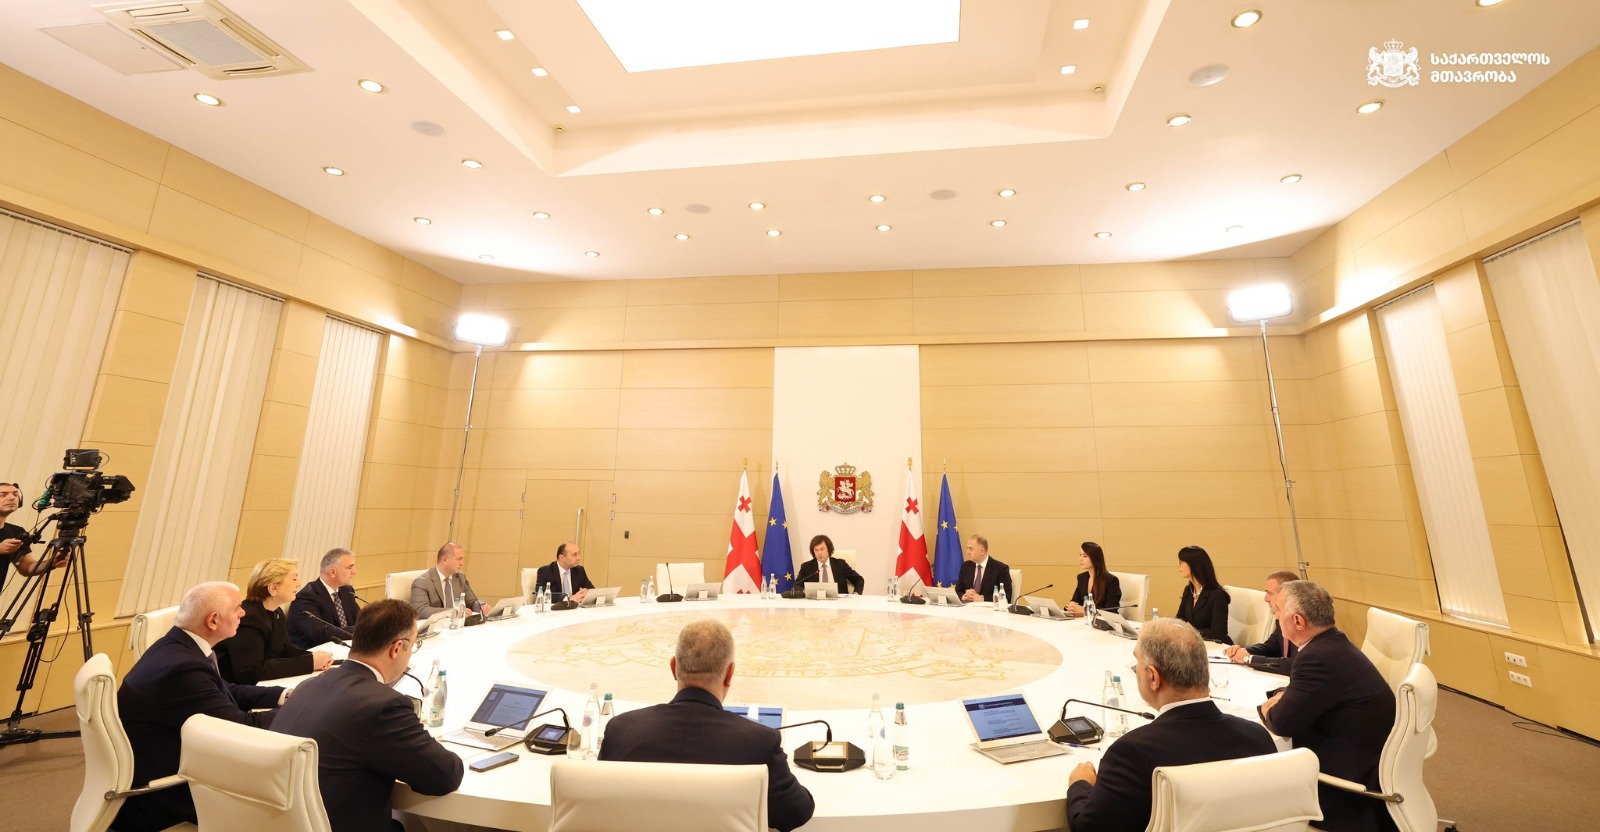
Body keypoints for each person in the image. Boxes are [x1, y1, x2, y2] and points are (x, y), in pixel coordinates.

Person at [600, 619, 815, 832]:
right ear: (729, 674)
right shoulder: (759, 743)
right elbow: (797, 812)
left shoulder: (621, 730)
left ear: (674, 667)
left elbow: (601, 804)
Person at [1067, 618, 1277, 831]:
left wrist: (1080, 783)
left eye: (1138, 663)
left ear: (1153, 677)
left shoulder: (1131, 754)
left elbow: (1088, 829)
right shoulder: (1257, 738)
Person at [272, 599, 464, 832]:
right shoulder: (384, 706)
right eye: (413, 646)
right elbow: (445, 775)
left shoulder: (309, 685)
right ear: (396, 648)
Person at [116, 582, 287, 832]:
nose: (243, 613)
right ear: (213, 620)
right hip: (169, 794)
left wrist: (285, 695)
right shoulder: (183, 670)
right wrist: (303, 710)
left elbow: (226, 689)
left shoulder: (177, 646)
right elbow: (241, 729)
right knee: (290, 786)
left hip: (172, 761)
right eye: (237, 608)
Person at [1259, 581, 1397, 832]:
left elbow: (1281, 723)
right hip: (1368, 759)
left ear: (1298, 621)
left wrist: (1268, 707)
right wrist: (1283, 695)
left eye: (1278, 610)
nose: (1275, 616)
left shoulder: (1317, 657)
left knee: (1259, 788)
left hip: (1346, 788)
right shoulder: (1333, 644)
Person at [216, 558, 334, 683]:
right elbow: (251, 671)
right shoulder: (248, 617)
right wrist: (310, 663)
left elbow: (285, 650)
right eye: (294, 579)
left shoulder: (277, 612)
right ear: (273, 588)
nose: (299, 583)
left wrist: (314, 657)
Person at [1223, 570, 1302, 675]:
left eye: (1269, 593)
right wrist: (1244, 651)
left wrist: (1249, 659)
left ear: (1285, 595)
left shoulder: (1299, 621)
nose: (1265, 599)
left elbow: (1294, 665)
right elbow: (1271, 647)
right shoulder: (1280, 618)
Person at [288, 547, 362, 649]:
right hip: (315, 652)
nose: (354, 571)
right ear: (332, 572)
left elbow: (360, 620)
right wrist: (362, 630)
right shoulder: (306, 597)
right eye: (349, 568)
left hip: (344, 647)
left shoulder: (347, 591)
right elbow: (320, 633)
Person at [0, 481, 66, 581]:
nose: (12, 498)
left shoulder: (16, 532)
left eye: (15, 494)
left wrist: (51, 563)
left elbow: (28, 568)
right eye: (3, 495)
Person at [411, 542, 492, 618]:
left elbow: (472, 601)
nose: (462, 563)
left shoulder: (460, 578)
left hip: (458, 624)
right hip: (436, 625)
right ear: (445, 559)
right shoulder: (422, 582)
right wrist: (452, 612)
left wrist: (482, 605)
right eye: (459, 559)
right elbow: (420, 610)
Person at [1174, 545, 1232, 643]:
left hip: (1215, 647)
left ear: (1192, 565)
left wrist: (1189, 632)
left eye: (1181, 562)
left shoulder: (1217, 596)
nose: (1178, 565)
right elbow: (1180, 620)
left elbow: (1219, 633)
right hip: (1196, 644)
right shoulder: (1189, 590)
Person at [792, 534, 864, 594]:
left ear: (828, 550)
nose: (819, 553)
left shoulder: (840, 564)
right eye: (816, 550)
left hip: (839, 603)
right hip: (816, 603)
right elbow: (797, 585)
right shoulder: (806, 567)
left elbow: (859, 579)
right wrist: (806, 592)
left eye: (822, 549)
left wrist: (856, 593)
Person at [1066, 541, 1121, 616]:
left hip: (1102, 622)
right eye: (1080, 555)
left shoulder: (1111, 581)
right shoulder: (1082, 578)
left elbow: (1110, 611)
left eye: (1085, 556)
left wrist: (1086, 610)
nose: (1080, 559)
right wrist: (1070, 606)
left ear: (1095, 558)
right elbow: (1075, 602)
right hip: (1085, 620)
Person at [955, 534, 1013, 603]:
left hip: (989, 609)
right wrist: (964, 596)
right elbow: (958, 590)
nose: (967, 552)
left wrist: (982, 598)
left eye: (971, 549)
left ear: (982, 551)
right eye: (967, 548)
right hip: (967, 608)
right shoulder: (965, 566)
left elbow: (1006, 596)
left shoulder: (1000, 569)